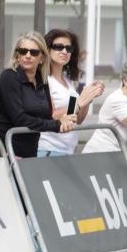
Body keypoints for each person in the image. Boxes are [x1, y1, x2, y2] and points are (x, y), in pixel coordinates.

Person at [0, 33, 77, 159]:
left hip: (35, 150)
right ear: (17, 55)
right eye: (23, 51)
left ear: (41, 56)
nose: (28, 55)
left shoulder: (50, 80)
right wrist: (58, 123)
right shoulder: (9, 77)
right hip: (10, 151)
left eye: (34, 52)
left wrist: (67, 117)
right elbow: (19, 118)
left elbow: (49, 115)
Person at [37, 29, 104, 157]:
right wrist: (80, 102)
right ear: (47, 49)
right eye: (58, 47)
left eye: (69, 48)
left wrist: (88, 98)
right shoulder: (43, 79)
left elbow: (77, 119)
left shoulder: (68, 81)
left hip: (68, 150)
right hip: (48, 149)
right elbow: (49, 114)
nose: (64, 51)